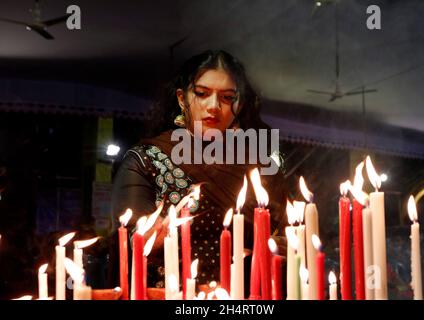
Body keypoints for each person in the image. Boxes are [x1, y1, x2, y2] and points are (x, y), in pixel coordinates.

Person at [109, 50, 289, 295]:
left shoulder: (261, 164)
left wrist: (283, 245)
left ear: (240, 103)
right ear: (182, 99)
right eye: (202, 94)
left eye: (227, 98)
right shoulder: (147, 159)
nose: (213, 106)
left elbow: (287, 230)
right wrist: (150, 235)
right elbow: (128, 237)